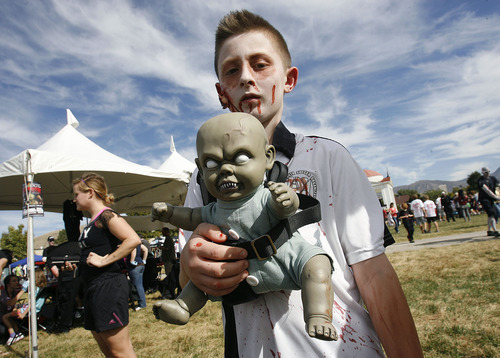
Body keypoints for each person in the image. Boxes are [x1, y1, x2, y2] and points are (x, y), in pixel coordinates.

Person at [178, 10, 422, 357]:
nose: (247, 77)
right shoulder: (204, 180)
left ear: (289, 78)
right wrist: (192, 265)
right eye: (232, 70)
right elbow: (186, 279)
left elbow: (374, 275)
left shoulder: (326, 157)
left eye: (260, 65)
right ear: (222, 91)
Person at [152, 113, 337, 340]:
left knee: (317, 265)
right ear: (200, 167)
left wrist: (288, 200)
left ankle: (318, 314)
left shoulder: (264, 196)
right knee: (200, 280)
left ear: (268, 158)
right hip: (233, 271)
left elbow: (284, 210)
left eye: (239, 159)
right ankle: (184, 306)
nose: (225, 170)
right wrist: (170, 213)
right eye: (211, 163)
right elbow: (191, 216)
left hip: (284, 259)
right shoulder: (213, 209)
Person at [73, 172, 140, 357]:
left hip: (108, 285)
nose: (74, 199)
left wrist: (104, 260)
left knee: (120, 351)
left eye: (76, 194)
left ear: (90, 193)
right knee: (108, 351)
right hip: (92, 288)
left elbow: (133, 239)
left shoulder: (107, 216)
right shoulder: (90, 223)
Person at [0, 275, 28, 345]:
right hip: (1, 318)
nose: (17, 282)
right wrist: (22, 291)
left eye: (17, 280)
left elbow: (14, 305)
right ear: (8, 284)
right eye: (14, 281)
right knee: (3, 331)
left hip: (9, 317)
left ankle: (16, 334)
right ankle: (13, 335)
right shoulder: (2, 293)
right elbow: (10, 303)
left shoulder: (14, 292)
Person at [477, 167, 500, 236]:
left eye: (489, 172)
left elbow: (499, 185)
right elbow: (487, 190)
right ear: (483, 173)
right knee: (491, 213)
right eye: (486, 172)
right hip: (484, 199)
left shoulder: (492, 178)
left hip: (491, 199)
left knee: (492, 214)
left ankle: (489, 231)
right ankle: (495, 231)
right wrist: (497, 197)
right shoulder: (481, 180)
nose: (488, 174)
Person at [127, 242, 148, 310]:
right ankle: (142, 302)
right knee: (140, 285)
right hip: (141, 264)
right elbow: (145, 249)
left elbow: (134, 250)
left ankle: (142, 304)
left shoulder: (131, 243)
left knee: (138, 285)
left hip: (135, 266)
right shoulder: (138, 243)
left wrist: (131, 261)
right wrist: (144, 259)